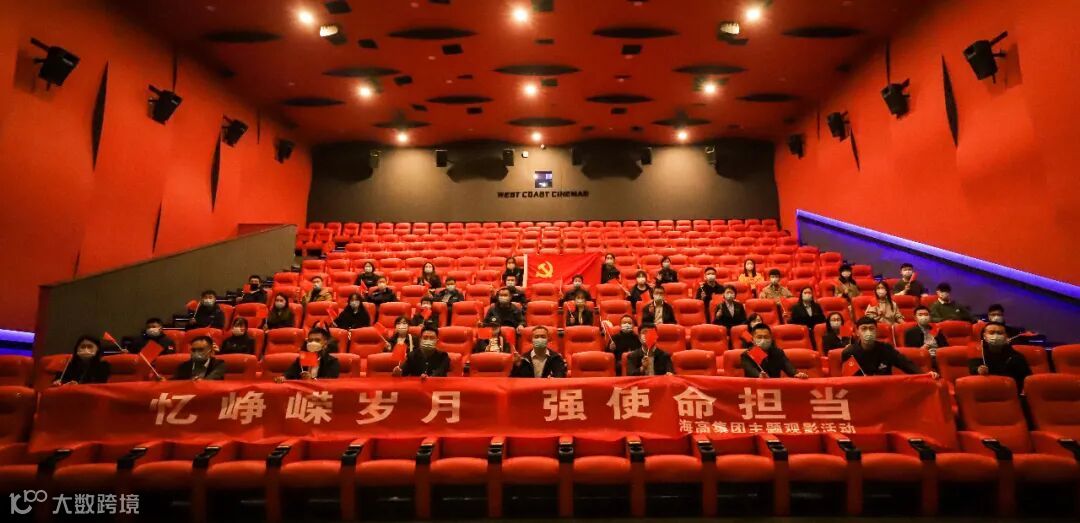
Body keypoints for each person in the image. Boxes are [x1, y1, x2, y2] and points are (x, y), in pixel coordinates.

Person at [841, 317, 937, 377]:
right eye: (864, 329)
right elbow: (848, 379)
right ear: (857, 332)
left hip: (884, 390)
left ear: (876, 331)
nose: (868, 332)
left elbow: (905, 363)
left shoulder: (886, 348)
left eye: (871, 328)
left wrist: (924, 375)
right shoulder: (849, 352)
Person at [969, 322, 1032, 392]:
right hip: (984, 392)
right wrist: (979, 370)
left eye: (1000, 333)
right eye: (991, 332)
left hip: (1009, 393)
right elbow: (972, 370)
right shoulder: (978, 353)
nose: (996, 336)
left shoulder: (1017, 357)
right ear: (984, 336)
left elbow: (1027, 380)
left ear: (1006, 336)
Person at [741, 324, 808, 379]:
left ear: (771, 338)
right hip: (756, 388)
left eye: (766, 337)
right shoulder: (747, 354)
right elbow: (752, 371)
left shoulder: (778, 352)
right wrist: (760, 376)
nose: (763, 340)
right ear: (753, 339)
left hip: (776, 388)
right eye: (759, 337)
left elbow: (788, 367)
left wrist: (797, 374)